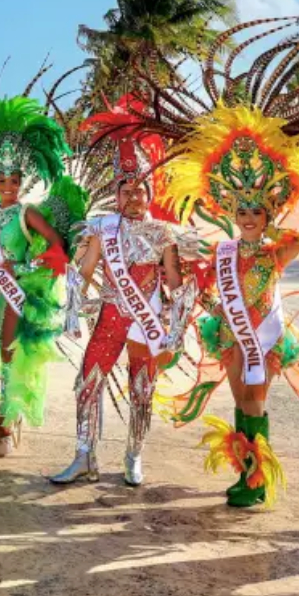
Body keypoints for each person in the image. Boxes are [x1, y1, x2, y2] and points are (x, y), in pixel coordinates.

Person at [94, 8, 299, 505]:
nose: (249, 216)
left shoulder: (277, 249)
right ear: (231, 210)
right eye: (242, 209)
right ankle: (246, 473)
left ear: (270, 210)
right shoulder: (225, 247)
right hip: (232, 331)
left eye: (257, 209)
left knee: (256, 397)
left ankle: (256, 479)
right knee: (239, 399)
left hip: (265, 333)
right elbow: (201, 276)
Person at [57, 123, 191, 487]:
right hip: (110, 318)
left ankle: (134, 454)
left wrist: (175, 326)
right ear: (115, 194)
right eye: (125, 190)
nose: (132, 198)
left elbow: (175, 281)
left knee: (142, 390)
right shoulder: (103, 228)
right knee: (87, 382)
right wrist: (73, 305)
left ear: (150, 194)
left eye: (139, 191)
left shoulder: (163, 233)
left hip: (144, 323)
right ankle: (84, 456)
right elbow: (85, 269)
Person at [0, 97, 87, 456]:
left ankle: (5, 421)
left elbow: (57, 246)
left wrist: (23, 267)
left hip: (18, 293)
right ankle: (9, 418)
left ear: (21, 182)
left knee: (10, 353)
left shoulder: (27, 213)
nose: (8, 185)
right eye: (2, 179)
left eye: (14, 180)